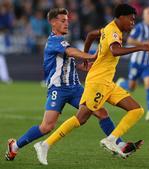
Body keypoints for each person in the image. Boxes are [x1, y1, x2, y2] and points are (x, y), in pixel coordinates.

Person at [5, 8, 138, 162]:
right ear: (53, 23)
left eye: (67, 20)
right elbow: (72, 52)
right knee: (47, 126)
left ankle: (119, 144)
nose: (66, 23)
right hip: (58, 89)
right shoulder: (54, 40)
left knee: (101, 113)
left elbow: (67, 61)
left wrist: (84, 66)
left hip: (75, 88)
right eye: (62, 20)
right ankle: (14, 146)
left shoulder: (63, 41)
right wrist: (92, 56)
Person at [34, 4, 149, 165]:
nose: (132, 23)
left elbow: (90, 35)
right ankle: (45, 145)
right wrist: (140, 47)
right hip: (97, 82)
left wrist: (86, 59)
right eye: (131, 19)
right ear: (121, 17)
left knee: (137, 110)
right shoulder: (113, 31)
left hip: (107, 83)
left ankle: (112, 140)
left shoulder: (107, 29)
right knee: (81, 118)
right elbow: (115, 50)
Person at [117, 7, 149, 121]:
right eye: (148, 13)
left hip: (148, 63)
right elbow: (130, 40)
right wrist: (143, 44)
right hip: (136, 62)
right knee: (131, 87)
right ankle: (121, 83)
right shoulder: (140, 27)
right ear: (144, 16)